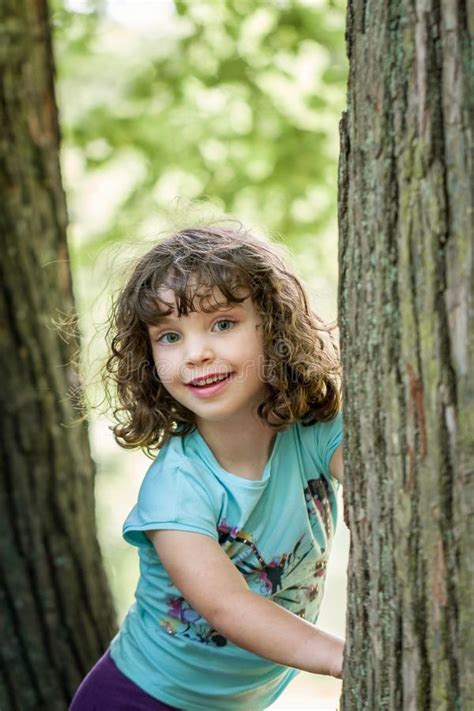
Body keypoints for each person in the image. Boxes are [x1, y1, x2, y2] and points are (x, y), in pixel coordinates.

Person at [70, 225, 345, 711]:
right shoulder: (176, 489)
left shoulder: (316, 429)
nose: (196, 353)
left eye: (222, 323)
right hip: (138, 699)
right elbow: (228, 607)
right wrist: (347, 657)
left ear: (275, 327)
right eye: (170, 336)